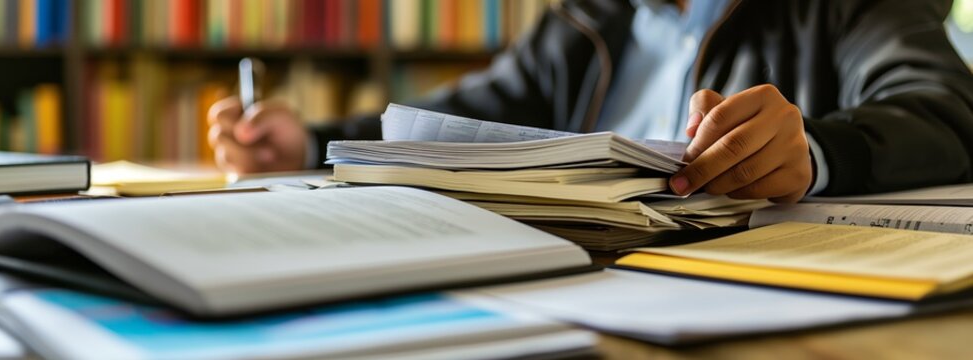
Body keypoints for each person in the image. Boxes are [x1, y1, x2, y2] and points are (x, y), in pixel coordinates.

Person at [208, 0, 973, 203]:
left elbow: (942, 104)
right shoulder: (584, 19)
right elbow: (471, 117)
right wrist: (308, 142)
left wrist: (810, 152)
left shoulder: (850, 6)